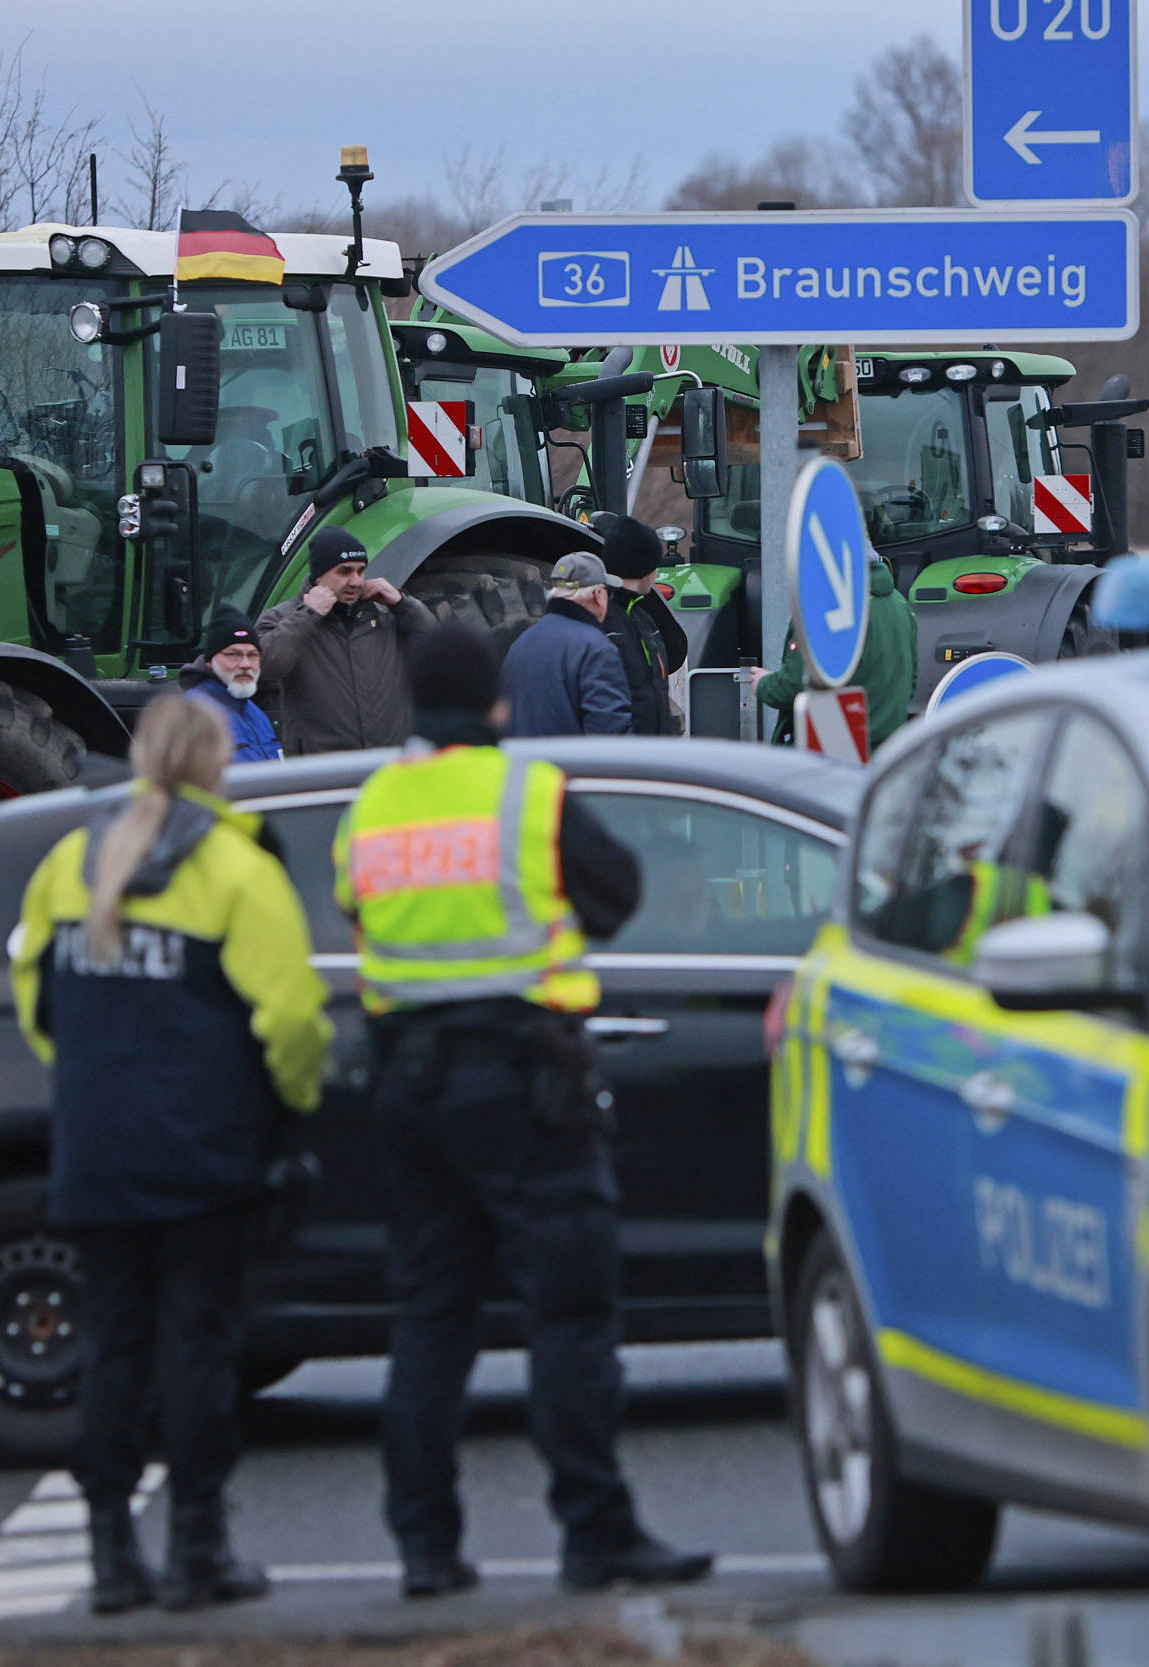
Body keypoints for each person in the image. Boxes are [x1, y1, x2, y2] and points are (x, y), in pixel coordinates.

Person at [336, 620, 712, 1599]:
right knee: (570, 1314)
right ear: (496, 703)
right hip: (524, 1080)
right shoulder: (525, 793)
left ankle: (423, 1546)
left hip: (410, 1088)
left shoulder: (372, 804)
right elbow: (616, 892)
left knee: (427, 1319)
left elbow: (354, 909)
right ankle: (595, 1532)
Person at [9, 694, 332, 1614]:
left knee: (113, 1345)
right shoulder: (235, 867)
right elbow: (293, 1019)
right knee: (198, 1346)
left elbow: (36, 999)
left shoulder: (76, 860)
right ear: (217, 765)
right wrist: (294, 1104)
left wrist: (93, 1083)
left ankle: (112, 1552)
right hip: (206, 1151)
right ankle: (199, 1546)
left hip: (98, 1147)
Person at [256, 528, 437, 754]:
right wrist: (308, 615)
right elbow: (265, 667)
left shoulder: (386, 614)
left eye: (361, 571)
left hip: (389, 763)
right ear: (318, 576)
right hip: (322, 772)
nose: (355, 581)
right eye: (344, 572)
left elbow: (439, 648)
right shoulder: (285, 618)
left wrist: (404, 604)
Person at [757, 550, 916, 750]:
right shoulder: (900, 604)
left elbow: (794, 685)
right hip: (885, 752)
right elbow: (911, 681)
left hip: (832, 751)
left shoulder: (829, 607)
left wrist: (762, 683)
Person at [499, 551, 633, 738]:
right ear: (598, 595)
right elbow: (609, 735)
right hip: (570, 768)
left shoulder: (521, 644)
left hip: (525, 766)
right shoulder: (596, 649)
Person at [590, 513, 688, 736]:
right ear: (648, 570)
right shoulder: (608, 624)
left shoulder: (641, 617)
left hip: (647, 753)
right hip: (625, 758)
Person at [180, 611, 282, 762]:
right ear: (209, 661)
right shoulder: (194, 712)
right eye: (233, 654)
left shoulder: (254, 712)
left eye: (253, 655)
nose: (245, 664)